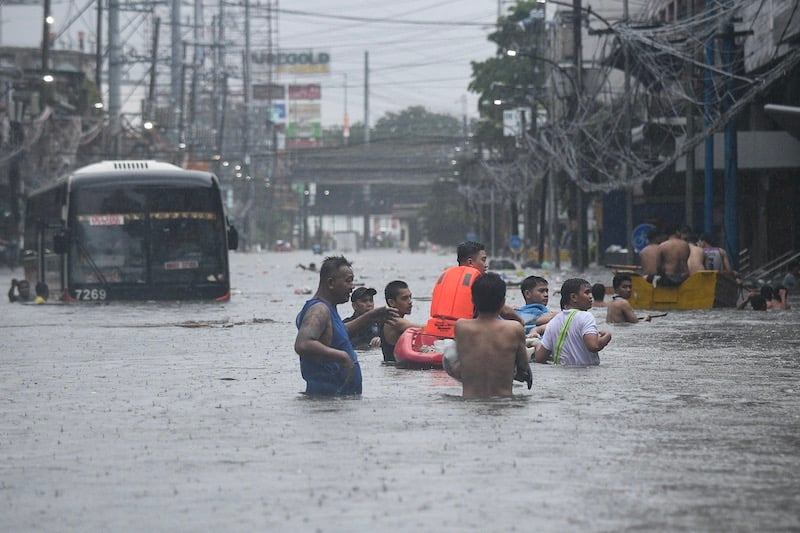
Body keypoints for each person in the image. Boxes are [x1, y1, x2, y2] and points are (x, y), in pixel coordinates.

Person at [294, 256, 397, 395]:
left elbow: (339, 333)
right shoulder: (319, 309)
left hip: (339, 400)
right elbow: (303, 344)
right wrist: (342, 356)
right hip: (327, 401)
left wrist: (369, 316)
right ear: (331, 283)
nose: (352, 286)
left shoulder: (328, 308)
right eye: (348, 281)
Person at [452, 272, 532, 398]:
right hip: (503, 404)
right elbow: (523, 369)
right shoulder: (514, 329)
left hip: (469, 405)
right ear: (503, 302)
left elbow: (456, 365)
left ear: (472, 300)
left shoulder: (461, 327)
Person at [426, 241, 521, 337]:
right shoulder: (479, 281)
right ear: (470, 262)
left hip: (434, 331)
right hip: (463, 335)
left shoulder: (445, 275)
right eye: (483, 260)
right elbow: (504, 311)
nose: (486, 265)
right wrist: (521, 322)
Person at [534, 278, 612, 366]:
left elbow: (540, 358)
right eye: (587, 292)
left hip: (560, 376)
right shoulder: (586, 316)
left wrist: (537, 345)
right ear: (573, 297)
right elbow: (594, 346)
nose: (591, 296)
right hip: (587, 375)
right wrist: (607, 336)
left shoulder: (553, 322)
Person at [380, 280, 422, 362]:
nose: (410, 302)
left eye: (410, 297)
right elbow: (425, 329)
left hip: (392, 369)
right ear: (391, 302)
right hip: (396, 369)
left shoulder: (389, 319)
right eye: (404, 298)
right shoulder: (395, 322)